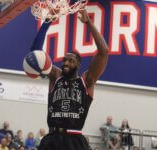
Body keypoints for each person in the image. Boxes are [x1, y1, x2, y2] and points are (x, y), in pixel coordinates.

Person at [32, 8, 108, 150]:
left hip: (74, 140)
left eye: (71, 60)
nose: (66, 63)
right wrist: (48, 20)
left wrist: (89, 23)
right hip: (52, 138)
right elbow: (36, 54)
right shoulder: (55, 77)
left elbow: (104, 52)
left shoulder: (86, 81)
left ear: (79, 64)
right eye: (64, 60)